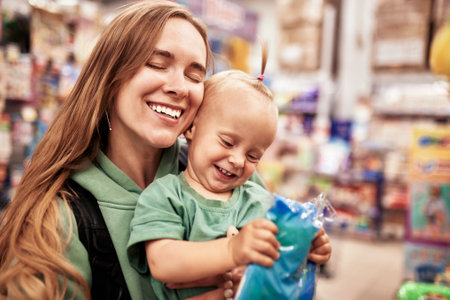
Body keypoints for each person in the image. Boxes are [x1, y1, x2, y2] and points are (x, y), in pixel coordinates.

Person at [0, 1, 235, 299]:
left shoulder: (216, 174)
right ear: (110, 76)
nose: (180, 87)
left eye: (194, 75)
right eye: (157, 64)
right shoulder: (57, 219)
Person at [127, 53, 332, 299]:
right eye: (227, 142)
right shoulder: (166, 196)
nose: (238, 160)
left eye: (253, 156)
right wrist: (232, 250)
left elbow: (281, 263)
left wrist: (306, 247)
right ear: (192, 127)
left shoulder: (261, 202)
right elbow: (162, 261)